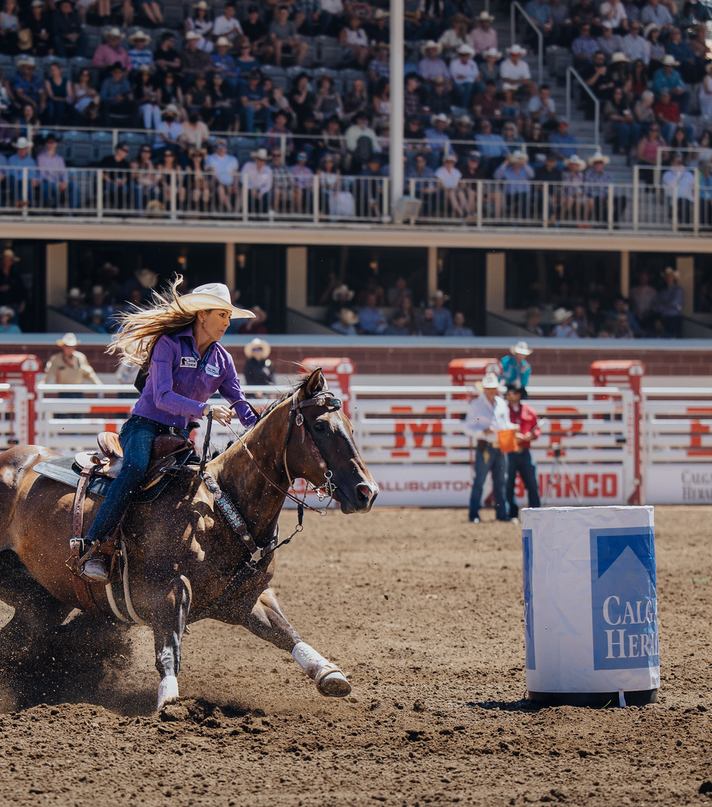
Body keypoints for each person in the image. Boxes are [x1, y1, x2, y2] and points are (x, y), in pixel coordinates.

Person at [79, 279, 258, 582]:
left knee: (204, 485)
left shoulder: (222, 359)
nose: (227, 322)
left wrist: (259, 426)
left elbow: (238, 400)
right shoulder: (169, 344)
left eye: (229, 316)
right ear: (202, 314)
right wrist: (204, 409)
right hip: (144, 426)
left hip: (178, 437)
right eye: (222, 315)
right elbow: (161, 396)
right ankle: (95, 545)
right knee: (135, 467)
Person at [464, 371, 510, 523]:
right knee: (480, 481)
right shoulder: (476, 406)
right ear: (484, 389)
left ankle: (502, 514)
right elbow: (469, 427)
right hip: (485, 445)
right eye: (489, 388)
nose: (491, 391)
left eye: (493, 388)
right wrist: (482, 432)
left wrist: (510, 430)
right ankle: (474, 514)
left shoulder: (502, 404)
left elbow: (505, 423)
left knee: (500, 481)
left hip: (500, 446)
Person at [505, 384, 541, 521]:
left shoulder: (529, 411)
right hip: (509, 451)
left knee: (531, 482)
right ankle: (511, 513)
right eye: (508, 393)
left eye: (513, 393)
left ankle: (535, 512)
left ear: (519, 394)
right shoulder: (503, 411)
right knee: (508, 483)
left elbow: (536, 429)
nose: (510, 396)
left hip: (525, 451)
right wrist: (515, 436)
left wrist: (529, 436)